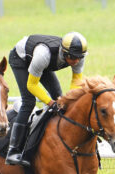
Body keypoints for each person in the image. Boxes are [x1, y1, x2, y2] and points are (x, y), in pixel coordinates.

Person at [5, 32, 88, 166]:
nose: (76, 61)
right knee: (29, 101)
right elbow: (31, 85)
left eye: (79, 58)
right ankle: (13, 151)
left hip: (43, 64)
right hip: (21, 59)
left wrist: (68, 101)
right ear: (64, 52)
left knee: (59, 97)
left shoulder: (78, 56)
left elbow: (76, 82)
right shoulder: (43, 55)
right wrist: (50, 103)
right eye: (73, 58)